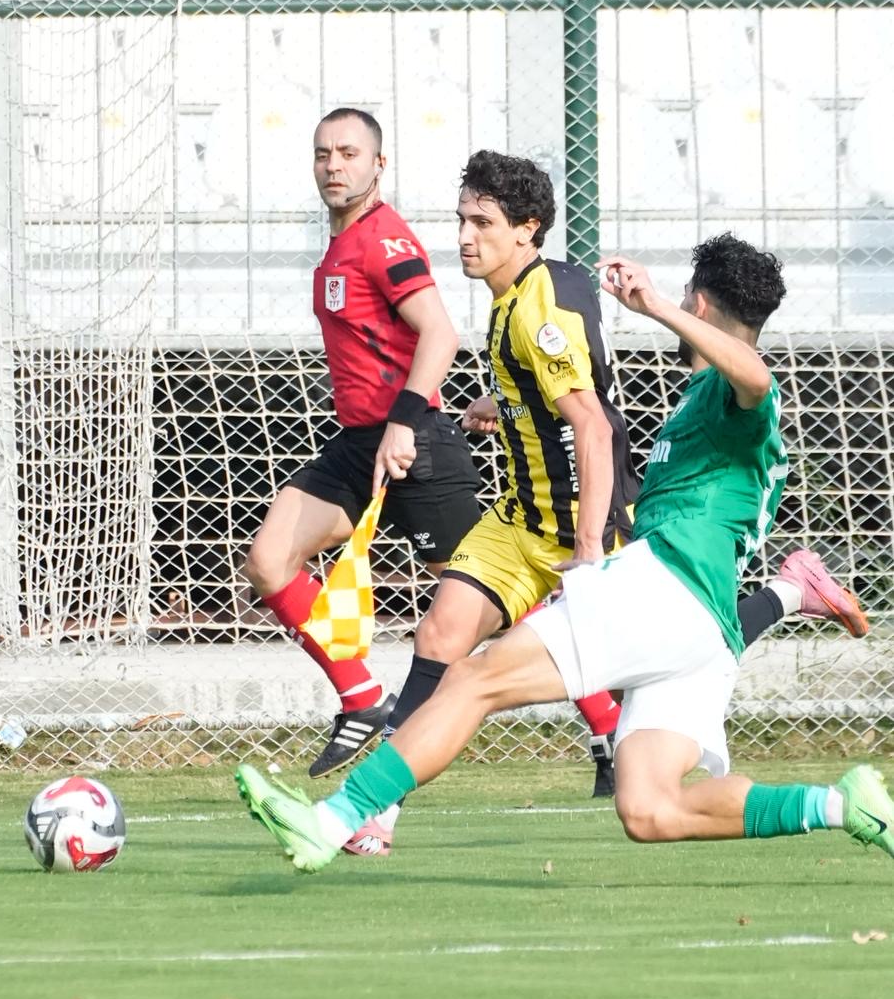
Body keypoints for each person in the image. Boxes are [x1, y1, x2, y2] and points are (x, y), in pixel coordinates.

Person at [236, 234, 893, 874]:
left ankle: (333, 822)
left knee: (471, 679)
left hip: (667, 589)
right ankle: (844, 804)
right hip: (704, 631)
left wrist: (654, 305)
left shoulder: (730, 397)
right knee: (650, 810)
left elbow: (757, 377)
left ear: (697, 304)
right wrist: (513, 405)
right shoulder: (698, 401)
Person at [242, 107, 483, 775]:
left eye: (349, 153)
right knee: (269, 559)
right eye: (323, 154)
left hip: (415, 443)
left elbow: (440, 333)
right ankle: (361, 696)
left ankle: (612, 720)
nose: (333, 166)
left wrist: (404, 423)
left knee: (491, 600)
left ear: (379, 164)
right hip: (356, 443)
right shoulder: (339, 242)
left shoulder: (383, 237)